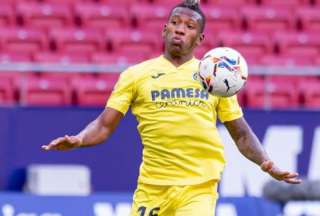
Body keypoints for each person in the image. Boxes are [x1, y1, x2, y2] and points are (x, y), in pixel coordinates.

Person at [42, 0, 302, 215]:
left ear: (199, 38)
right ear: (164, 30)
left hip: (197, 188)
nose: (180, 30)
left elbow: (242, 134)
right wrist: (79, 139)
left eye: (189, 26)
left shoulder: (213, 76)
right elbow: (103, 125)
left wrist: (268, 164)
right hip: (152, 188)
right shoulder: (136, 75)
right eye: (175, 23)